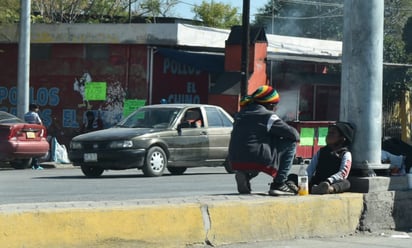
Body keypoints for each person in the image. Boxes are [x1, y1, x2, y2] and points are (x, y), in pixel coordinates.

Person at [228, 85, 300, 196]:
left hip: (235, 158)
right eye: (275, 105)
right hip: (256, 155)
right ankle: (279, 183)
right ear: (270, 105)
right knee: (290, 142)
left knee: (257, 144)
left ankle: (246, 175)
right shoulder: (268, 116)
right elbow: (294, 135)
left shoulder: (241, 113)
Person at [307, 122, 355, 194]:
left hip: (331, 182)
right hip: (318, 180)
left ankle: (329, 189)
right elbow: (310, 169)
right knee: (293, 177)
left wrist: (329, 180)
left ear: (342, 138)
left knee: (346, 183)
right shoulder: (321, 151)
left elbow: (343, 173)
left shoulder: (345, 154)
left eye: (332, 133)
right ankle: (303, 187)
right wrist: (304, 179)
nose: (328, 135)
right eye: (328, 133)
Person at [24, 103, 44, 170]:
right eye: (37, 108)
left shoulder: (26, 115)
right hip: (34, 133)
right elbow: (40, 123)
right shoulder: (35, 115)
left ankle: (31, 164)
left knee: (30, 148)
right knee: (36, 149)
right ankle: (36, 165)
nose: (37, 110)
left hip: (27, 133)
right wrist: (41, 131)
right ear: (33, 108)